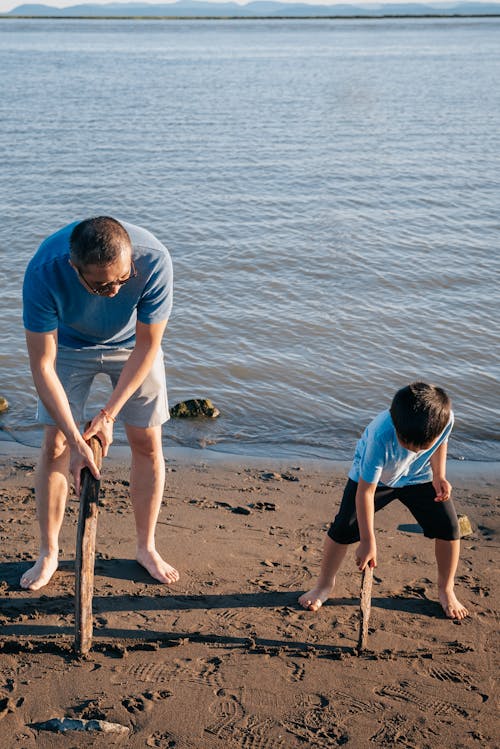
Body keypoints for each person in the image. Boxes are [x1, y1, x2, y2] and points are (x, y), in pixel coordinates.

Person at [21, 216, 179, 590]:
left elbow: (148, 345)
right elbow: (42, 366)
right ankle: (48, 552)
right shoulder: (43, 272)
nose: (115, 290)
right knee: (55, 443)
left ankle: (146, 547)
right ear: (75, 268)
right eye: (103, 284)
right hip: (70, 346)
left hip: (132, 349)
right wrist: (77, 441)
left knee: (147, 442)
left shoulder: (154, 260)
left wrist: (108, 414)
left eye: (123, 279)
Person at [298, 382, 469, 620]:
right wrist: (368, 540)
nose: (410, 448)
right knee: (343, 529)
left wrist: (439, 475)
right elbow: (365, 492)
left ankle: (446, 589)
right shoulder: (381, 435)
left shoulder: (445, 419)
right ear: (394, 419)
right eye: (404, 441)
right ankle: (323, 586)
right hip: (376, 480)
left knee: (450, 528)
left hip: (419, 477)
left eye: (418, 446)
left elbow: (441, 444)